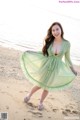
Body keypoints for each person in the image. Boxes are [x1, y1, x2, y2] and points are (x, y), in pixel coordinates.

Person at [21, 22, 77, 110]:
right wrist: (31, 52)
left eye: (57, 29)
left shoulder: (67, 44)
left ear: (61, 29)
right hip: (46, 65)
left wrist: (73, 70)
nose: (55, 32)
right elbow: (43, 53)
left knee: (47, 87)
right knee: (40, 83)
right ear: (51, 32)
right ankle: (29, 95)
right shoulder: (50, 41)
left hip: (56, 68)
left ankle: (41, 103)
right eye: (53, 30)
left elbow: (68, 59)